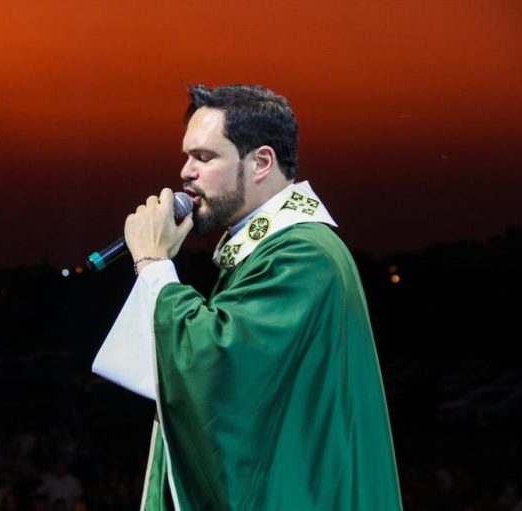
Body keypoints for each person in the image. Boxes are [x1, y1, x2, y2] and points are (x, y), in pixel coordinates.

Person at [93, 84, 402, 510]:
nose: (185, 172)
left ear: (260, 162)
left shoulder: (303, 254)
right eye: (187, 156)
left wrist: (152, 262)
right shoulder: (268, 250)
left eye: (204, 157)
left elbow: (220, 364)